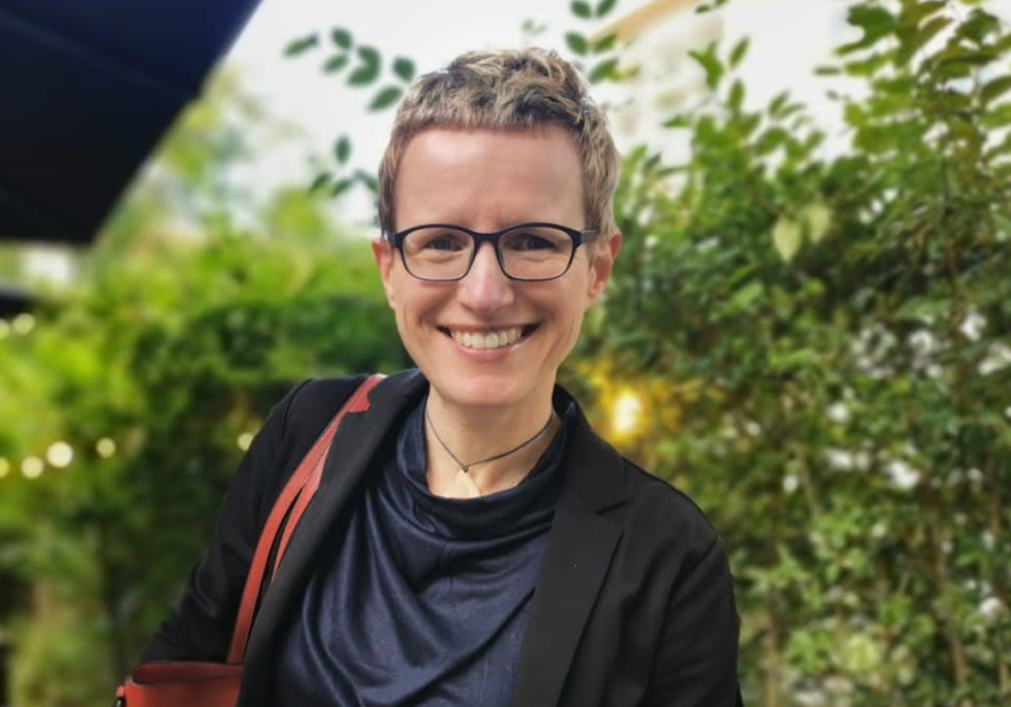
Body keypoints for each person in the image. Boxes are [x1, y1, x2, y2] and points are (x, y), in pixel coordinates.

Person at [140, 48, 742, 707]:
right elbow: (187, 653)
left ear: (597, 266)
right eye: (442, 242)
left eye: (533, 240)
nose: (484, 292)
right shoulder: (305, 434)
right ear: (389, 267)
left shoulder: (667, 554)